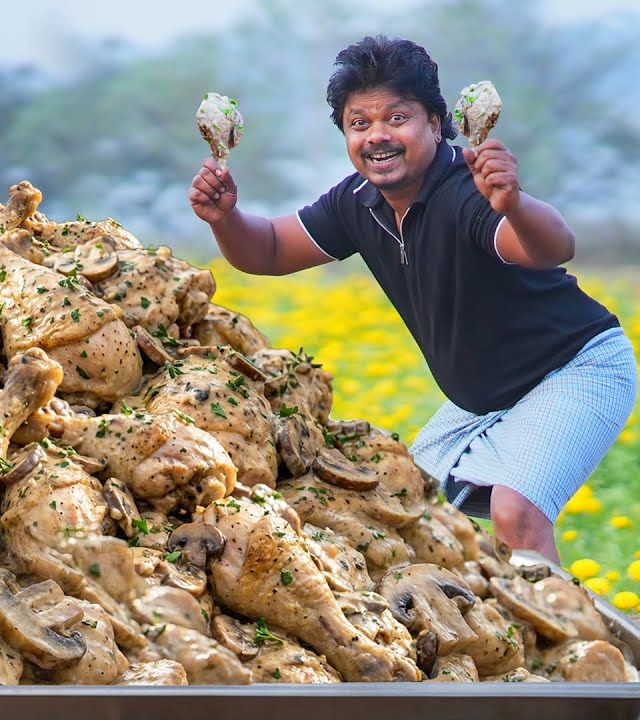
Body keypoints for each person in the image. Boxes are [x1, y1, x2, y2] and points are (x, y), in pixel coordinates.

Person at [188, 35, 636, 562]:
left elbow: (550, 246)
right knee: (400, 506)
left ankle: (572, 644)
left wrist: (513, 204)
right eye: (360, 124)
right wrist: (225, 218)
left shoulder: (465, 189)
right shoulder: (356, 202)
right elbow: (266, 249)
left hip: (577, 369)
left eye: (396, 118)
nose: (378, 136)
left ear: (435, 121)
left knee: (516, 513)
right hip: (482, 401)